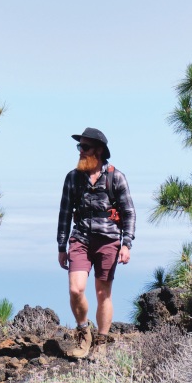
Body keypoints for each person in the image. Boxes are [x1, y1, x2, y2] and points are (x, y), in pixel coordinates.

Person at [56, 127, 134, 353]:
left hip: (108, 241)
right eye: (79, 146)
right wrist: (62, 246)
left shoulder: (116, 177)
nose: (80, 151)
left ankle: (101, 342)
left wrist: (126, 244)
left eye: (85, 147)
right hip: (80, 239)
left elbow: (129, 213)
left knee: (103, 293)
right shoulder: (72, 178)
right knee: (76, 289)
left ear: (99, 150)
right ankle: (83, 332)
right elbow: (64, 214)